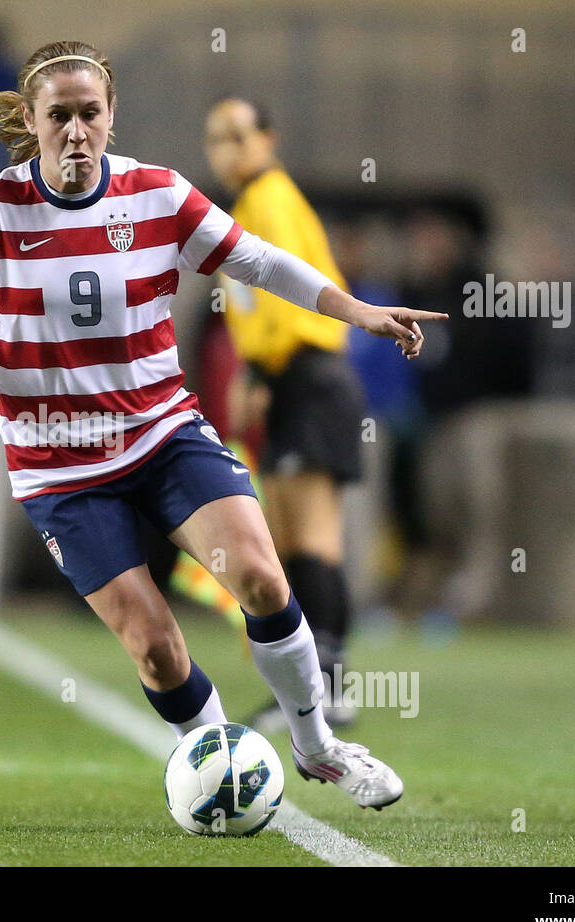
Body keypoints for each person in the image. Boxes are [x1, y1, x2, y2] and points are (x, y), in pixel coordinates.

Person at [0, 40, 445, 809]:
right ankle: (225, 770)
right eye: (59, 117)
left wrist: (359, 310)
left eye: (89, 114)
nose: (76, 131)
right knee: (155, 646)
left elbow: (263, 263)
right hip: (60, 468)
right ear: (35, 122)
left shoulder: (158, 195)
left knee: (261, 575)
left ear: (110, 117)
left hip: (160, 434)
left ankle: (320, 750)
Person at [203, 97, 367, 729]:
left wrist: (264, 372)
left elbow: (285, 302)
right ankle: (308, 688)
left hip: (308, 376)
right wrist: (254, 370)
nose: (227, 149)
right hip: (289, 376)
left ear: (268, 138)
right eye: (217, 138)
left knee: (315, 538)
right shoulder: (247, 205)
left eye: (239, 135)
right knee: (293, 541)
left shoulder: (268, 199)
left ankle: (329, 688)